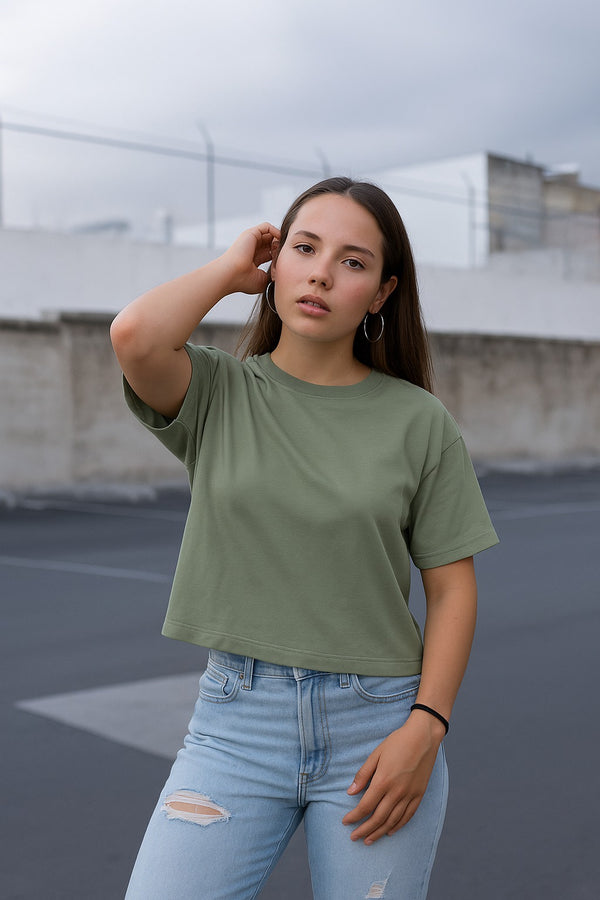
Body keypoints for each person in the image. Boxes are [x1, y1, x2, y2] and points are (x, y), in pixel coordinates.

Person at [111, 176, 498, 900]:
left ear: (381, 294)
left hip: (379, 729)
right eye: (304, 248)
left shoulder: (419, 422)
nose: (321, 271)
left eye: (353, 262)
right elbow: (134, 336)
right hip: (235, 727)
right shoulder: (218, 393)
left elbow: (452, 588)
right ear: (275, 266)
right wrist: (229, 271)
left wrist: (428, 726)